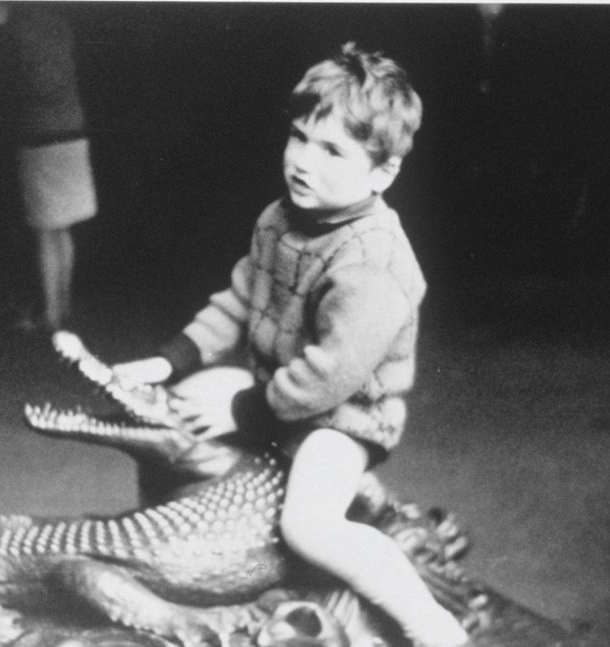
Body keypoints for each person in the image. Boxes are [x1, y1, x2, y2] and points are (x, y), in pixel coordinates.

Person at [113, 43, 470, 647]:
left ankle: (429, 623)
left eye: (332, 150)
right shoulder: (279, 219)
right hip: (276, 387)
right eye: (300, 137)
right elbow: (239, 298)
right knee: (180, 405)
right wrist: (173, 357)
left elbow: (332, 374)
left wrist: (243, 411)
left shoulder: (371, 261)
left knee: (309, 526)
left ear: (382, 173)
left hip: (344, 416)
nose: (304, 161)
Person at [0, 3, 98, 332]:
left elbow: (7, 83)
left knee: (44, 230)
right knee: (63, 229)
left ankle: (51, 314)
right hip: (73, 131)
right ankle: (64, 305)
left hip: (39, 135)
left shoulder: (13, 31)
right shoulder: (61, 25)